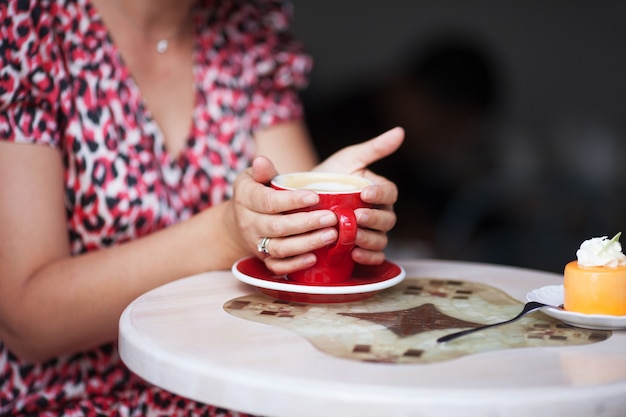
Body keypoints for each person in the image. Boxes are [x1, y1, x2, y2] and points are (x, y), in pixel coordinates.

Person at [0, 0, 403, 415]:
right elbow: (28, 322)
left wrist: (332, 210)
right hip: (82, 399)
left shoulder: (248, 25)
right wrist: (228, 233)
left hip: (236, 384)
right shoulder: (30, 24)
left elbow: (296, 257)